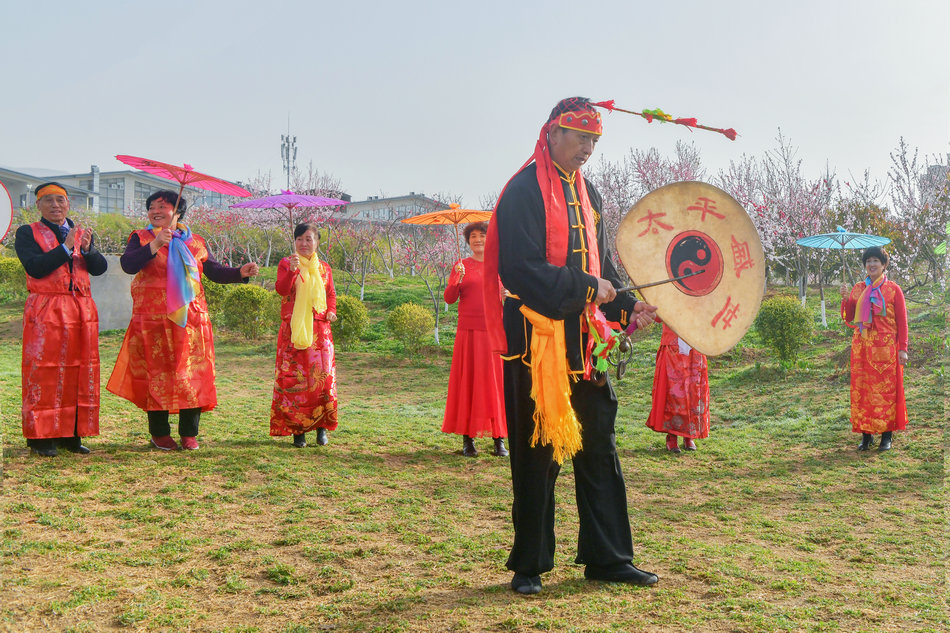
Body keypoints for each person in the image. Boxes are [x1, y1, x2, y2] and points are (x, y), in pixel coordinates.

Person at [483, 97, 659, 594]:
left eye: (594, 141)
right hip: (536, 344)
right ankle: (529, 565)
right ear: (551, 133)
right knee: (538, 454)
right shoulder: (522, 192)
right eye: (580, 138)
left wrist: (626, 308)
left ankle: (608, 557)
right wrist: (587, 289)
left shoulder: (590, 194)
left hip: (586, 345)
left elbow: (603, 267)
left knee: (599, 447)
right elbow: (520, 270)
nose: (587, 149)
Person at [107, 190, 259, 451]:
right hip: (153, 320)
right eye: (151, 207)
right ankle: (160, 434)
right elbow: (128, 265)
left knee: (192, 374)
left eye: (162, 206)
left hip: (191, 321)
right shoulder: (141, 237)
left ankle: (189, 433)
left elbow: (213, 271)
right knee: (158, 374)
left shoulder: (196, 242)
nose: (155, 210)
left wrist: (239, 273)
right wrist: (154, 245)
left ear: (177, 212)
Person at [14, 182, 107, 457]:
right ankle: (41, 438)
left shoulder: (81, 233)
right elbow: (35, 267)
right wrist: (66, 248)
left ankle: (71, 435)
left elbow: (99, 269)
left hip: (81, 310)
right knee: (44, 370)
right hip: (47, 308)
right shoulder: (27, 233)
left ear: (68, 204)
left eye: (61, 200)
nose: (56, 205)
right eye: (49, 201)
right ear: (38, 205)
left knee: (79, 369)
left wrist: (88, 251)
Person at [442, 221, 507, 457]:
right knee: (468, 383)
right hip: (467, 332)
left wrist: (506, 296)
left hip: (493, 332)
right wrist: (455, 281)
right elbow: (449, 299)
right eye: (473, 237)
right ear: (468, 242)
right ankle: (467, 440)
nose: (478, 240)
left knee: (494, 385)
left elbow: (510, 300)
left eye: (482, 235)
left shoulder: (499, 266)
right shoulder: (461, 266)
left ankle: (499, 438)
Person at [270, 223, 338, 448]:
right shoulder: (286, 263)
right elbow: (281, 290)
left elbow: (330, 295)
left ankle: (321, 428)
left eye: (309, 239)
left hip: (320, 332)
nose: (304, 243)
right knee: (295, 381)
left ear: (317, 242)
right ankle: (297, 431)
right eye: (299, 239)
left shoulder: (324, 268)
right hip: (294, 331)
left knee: (321, 381)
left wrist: (331, 311)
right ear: (294, 241)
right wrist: (292, 270)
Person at [839, 246, 908, 451]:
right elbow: (850, 316)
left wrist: (902, 348)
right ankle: (866, 436)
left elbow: (903, 323)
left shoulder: (893, 289)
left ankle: (887, 436)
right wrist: (846, 299)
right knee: (863, 391)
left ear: (884, 264)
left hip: (885, 349)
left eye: (875, 260)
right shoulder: (859, 288)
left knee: (885, 393)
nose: (871, 264)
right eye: (868, 261)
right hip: (862, 348)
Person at [645, 322, 710, 453]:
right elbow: (657, 314)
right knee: (673, 392)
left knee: (693, 391)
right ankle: (672, 437)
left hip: (695, 343)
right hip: (672, 344)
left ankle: (689, 435)